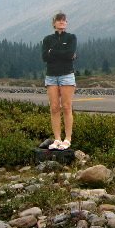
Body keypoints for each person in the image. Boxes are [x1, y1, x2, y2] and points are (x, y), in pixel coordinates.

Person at [41, 12, 77, 150]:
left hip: (66, 75)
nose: (62, 22)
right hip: (51, 76)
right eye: (59, 20)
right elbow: (45, 57)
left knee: (67, 107)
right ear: (54, 23)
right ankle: (57, 138)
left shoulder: (71, 37)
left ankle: (67, 138)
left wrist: (53, 52)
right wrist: (64, 54)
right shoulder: (47, 39)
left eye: (64, 20)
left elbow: (69, 54)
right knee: (54, 108)